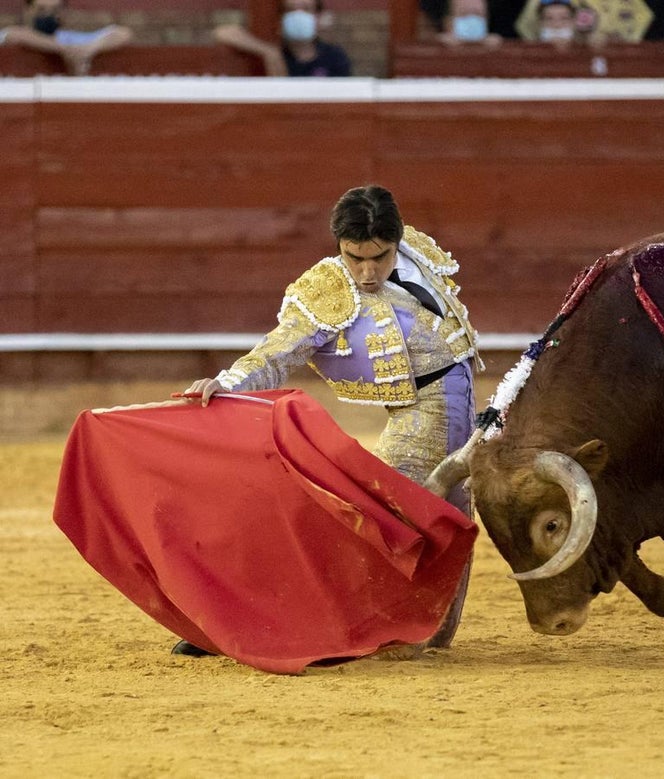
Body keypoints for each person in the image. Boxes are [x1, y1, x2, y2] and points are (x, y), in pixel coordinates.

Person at [172, 185, 482, 657]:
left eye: (378, 257)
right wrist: (229, 382)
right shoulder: (327, 291)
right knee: (378, 525)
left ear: (396, 241)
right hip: (421, 415)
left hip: (462, 409)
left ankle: (424, 633)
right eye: (354, 257)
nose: (366, 271)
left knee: (453, 524)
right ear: (339, 245)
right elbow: (278, 350)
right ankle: (285, 626)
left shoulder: (418, 251)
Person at [213, 0, 351, 77]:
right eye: (290, 10)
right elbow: (223, 32)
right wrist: (268, 52)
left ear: (319, 17)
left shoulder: (334, 57)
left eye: (306, 9)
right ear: (281, 18)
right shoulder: (277, 53)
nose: (298, 15)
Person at [0, 0, 132, 76]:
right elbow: (14, 35)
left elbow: (122, 33)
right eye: (41, 9)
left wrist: (89, 49)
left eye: (54, 10)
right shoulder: (15, 33)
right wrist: (65, 49)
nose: (48, 15)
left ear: (63, 12)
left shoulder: (70, 39)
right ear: (28, 9)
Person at [436, 0, 504, 47]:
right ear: (448, 21)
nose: (473, 18)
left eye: (477, 14)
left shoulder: (496, 48)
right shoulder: (435, 47)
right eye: (465, 14)